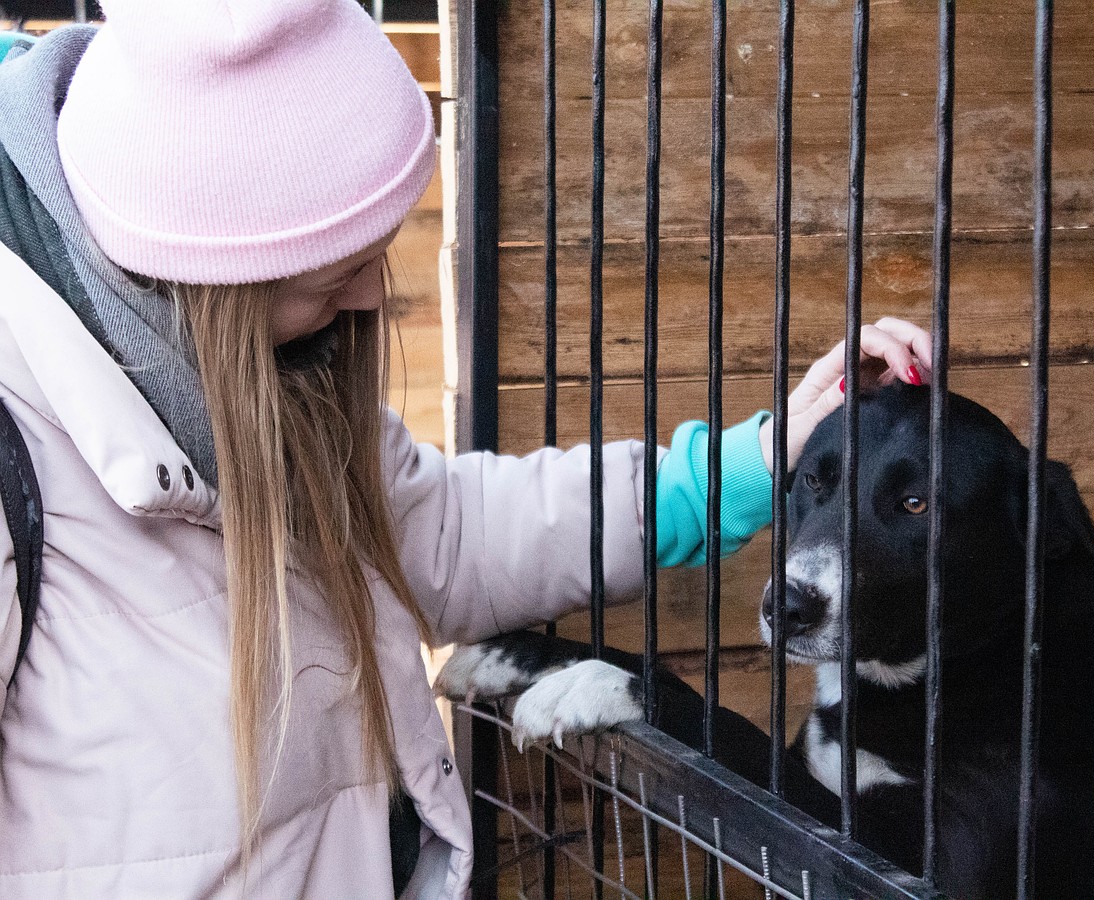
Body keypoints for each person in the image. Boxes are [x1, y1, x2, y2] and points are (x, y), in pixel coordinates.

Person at [0, 2, 933, 897]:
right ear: (218, 274)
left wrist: (758, 464)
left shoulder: (281, 386)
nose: (373, 296)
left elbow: (439, 532)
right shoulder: (24, 452)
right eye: (338, 269)